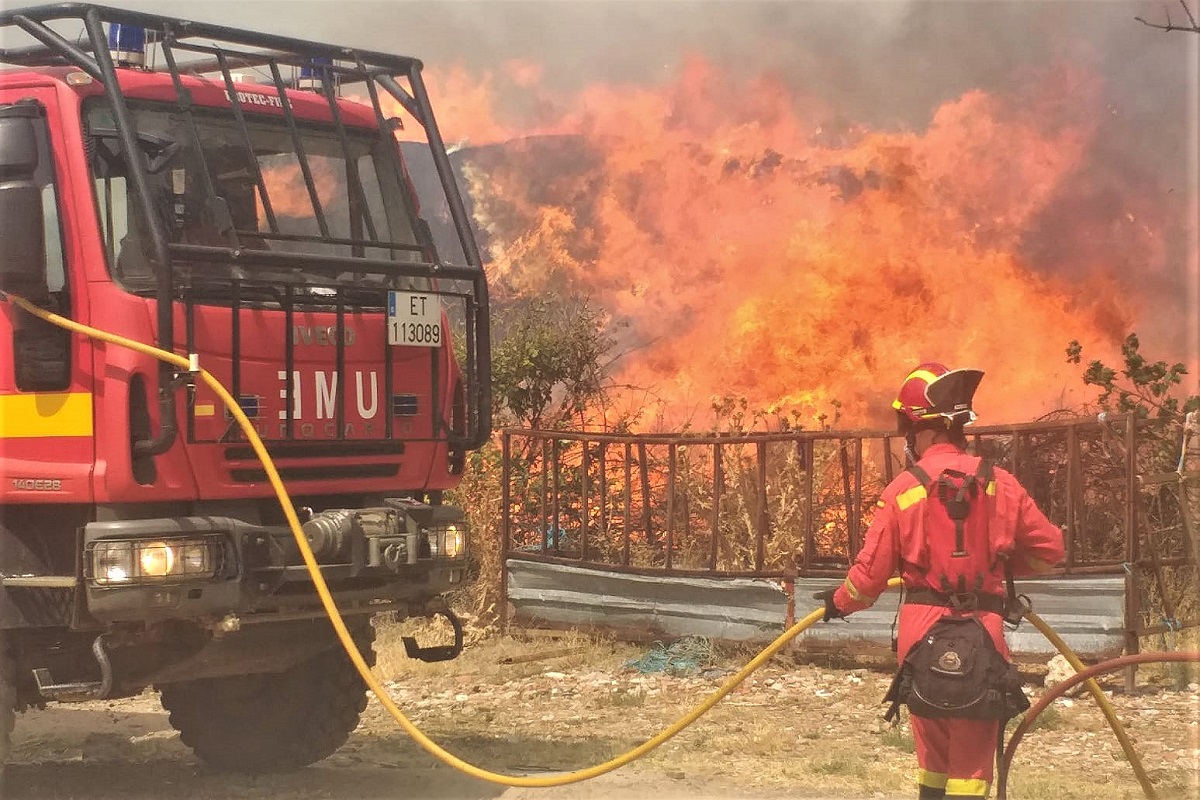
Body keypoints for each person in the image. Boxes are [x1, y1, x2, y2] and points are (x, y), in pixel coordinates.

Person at [813, 362, 1065, 800]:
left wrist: (837, 603)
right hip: (982, 633)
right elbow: (1050, 552)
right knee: (970, 768)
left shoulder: (903, 490)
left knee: (932, 762)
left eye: (908, 427)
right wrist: (996, 568)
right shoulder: (1000, 485)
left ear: (921, 427)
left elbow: (868, 578)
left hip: (920, 636)